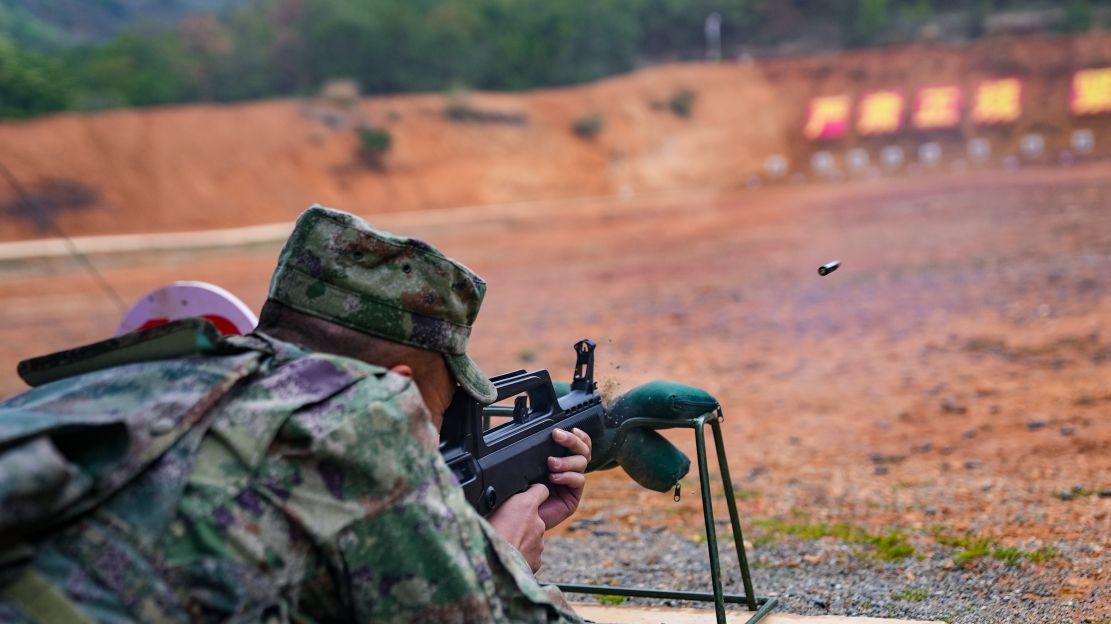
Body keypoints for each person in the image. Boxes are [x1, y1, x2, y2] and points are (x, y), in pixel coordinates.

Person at [0, 205, 589, 623]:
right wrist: (505, 558)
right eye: (441, 411)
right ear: (398, 385)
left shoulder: (127, 379)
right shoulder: (362, 414)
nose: (433, 434)